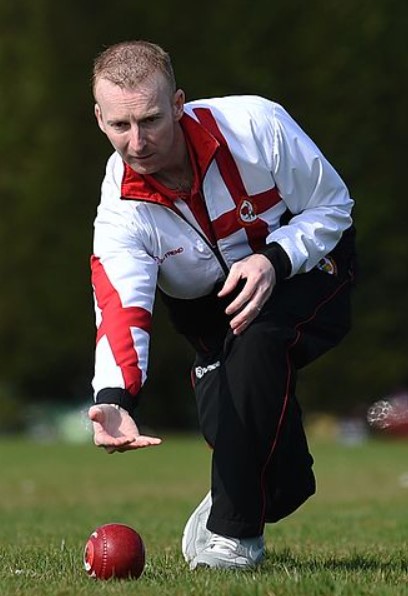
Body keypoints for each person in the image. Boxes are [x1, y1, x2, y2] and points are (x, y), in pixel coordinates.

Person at [88, 40, 356, 570]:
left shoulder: (257, 126)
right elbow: (121, 303)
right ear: (99, 118)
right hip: (210, 312)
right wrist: (116, 395)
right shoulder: (120, 211)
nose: (137, 142)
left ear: (180, 102)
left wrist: (274, 259)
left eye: (151, 120)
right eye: (121, 126)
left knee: (259, 338)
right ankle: (236, 500)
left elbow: (333, 204)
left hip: (303, 266)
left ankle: (234, 538)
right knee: (280, 481)